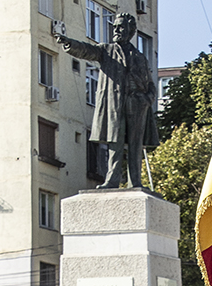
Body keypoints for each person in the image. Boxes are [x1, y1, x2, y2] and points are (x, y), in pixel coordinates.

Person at [55, 12, 159, 189]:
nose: (116, 30)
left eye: (121, 27)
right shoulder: (106, 50)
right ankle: (112, 180)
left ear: (130, 31)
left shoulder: (140, 57)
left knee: (135, 145)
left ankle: (135, 181)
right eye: (115, 27)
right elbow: (87, 50)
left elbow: (150, 84)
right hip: (115, 104)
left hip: (137, 104)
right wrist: (69, 43)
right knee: (115, 142)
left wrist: (146, 99)